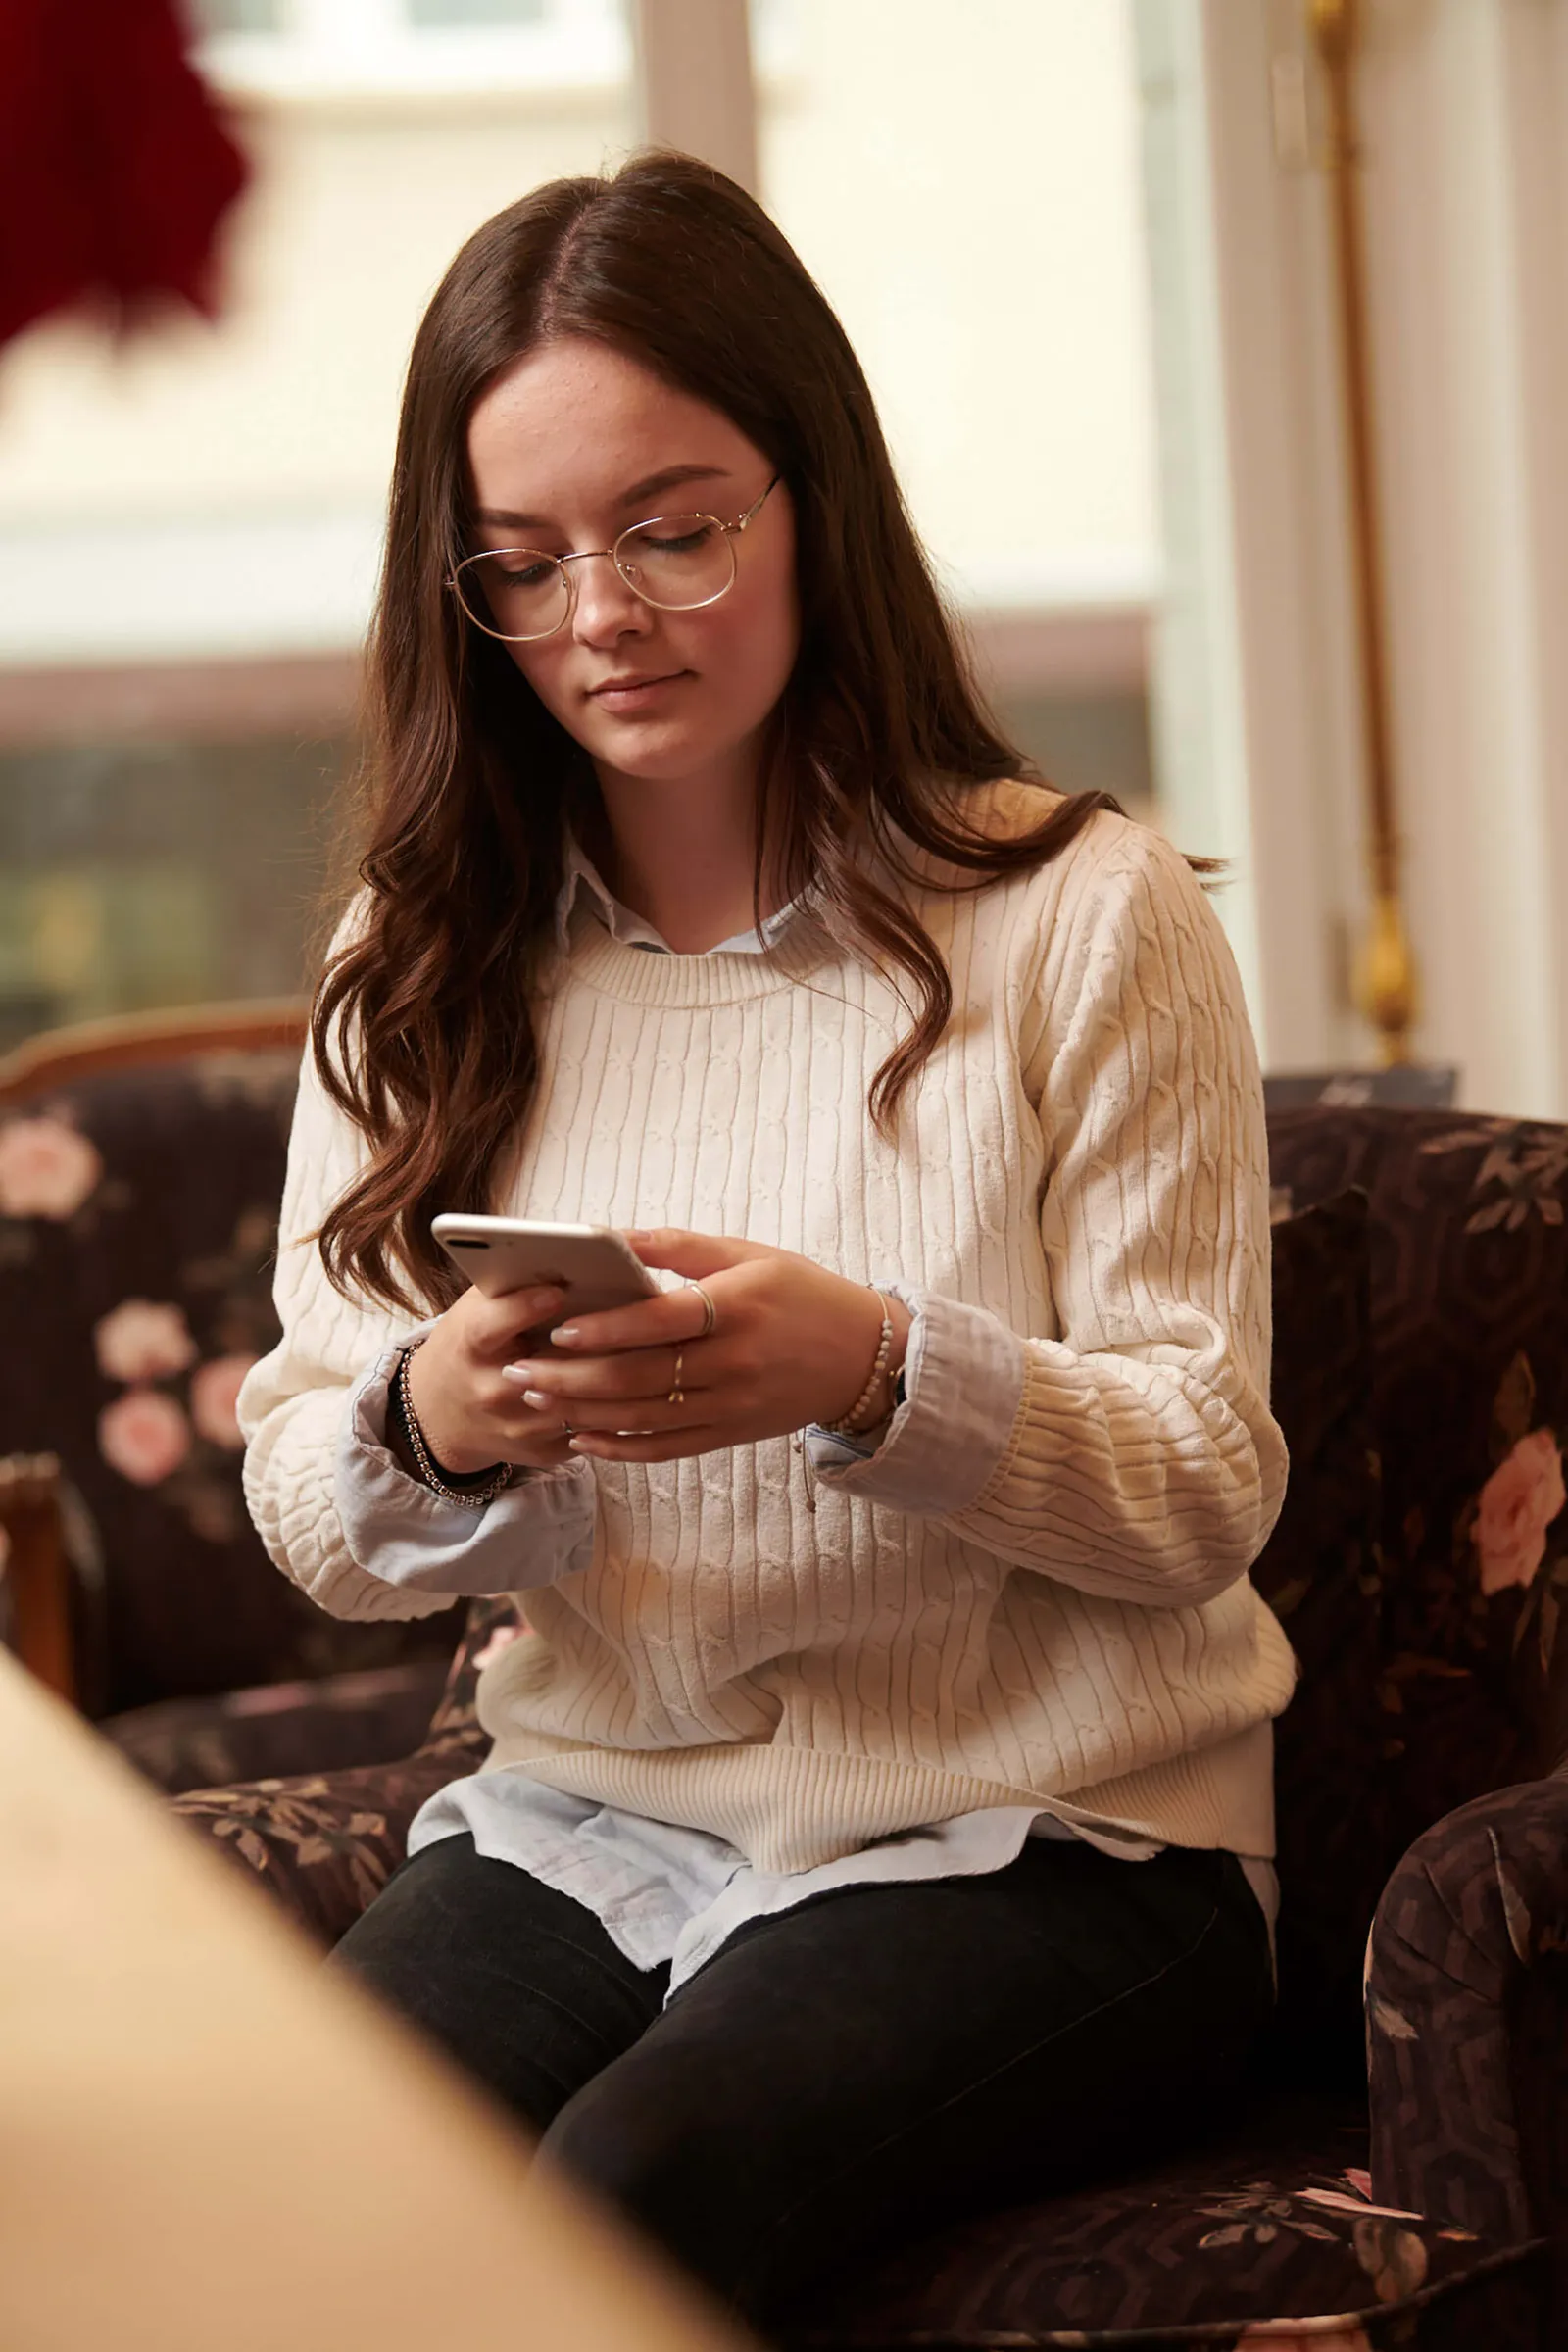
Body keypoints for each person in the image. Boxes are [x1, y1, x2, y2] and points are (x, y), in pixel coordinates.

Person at [239, 152, 1294, 2332]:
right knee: (315, 2186)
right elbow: (309, 1506)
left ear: (815, 500)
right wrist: (438, 1415)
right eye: (521, 563)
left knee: (636, 2186)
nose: (600, 617)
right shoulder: (423, 956)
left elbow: (1205, 1483)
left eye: (672, 529)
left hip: (1059, 1833)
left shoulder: (1081, 914)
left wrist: (877, 1375)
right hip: (597, 1809)